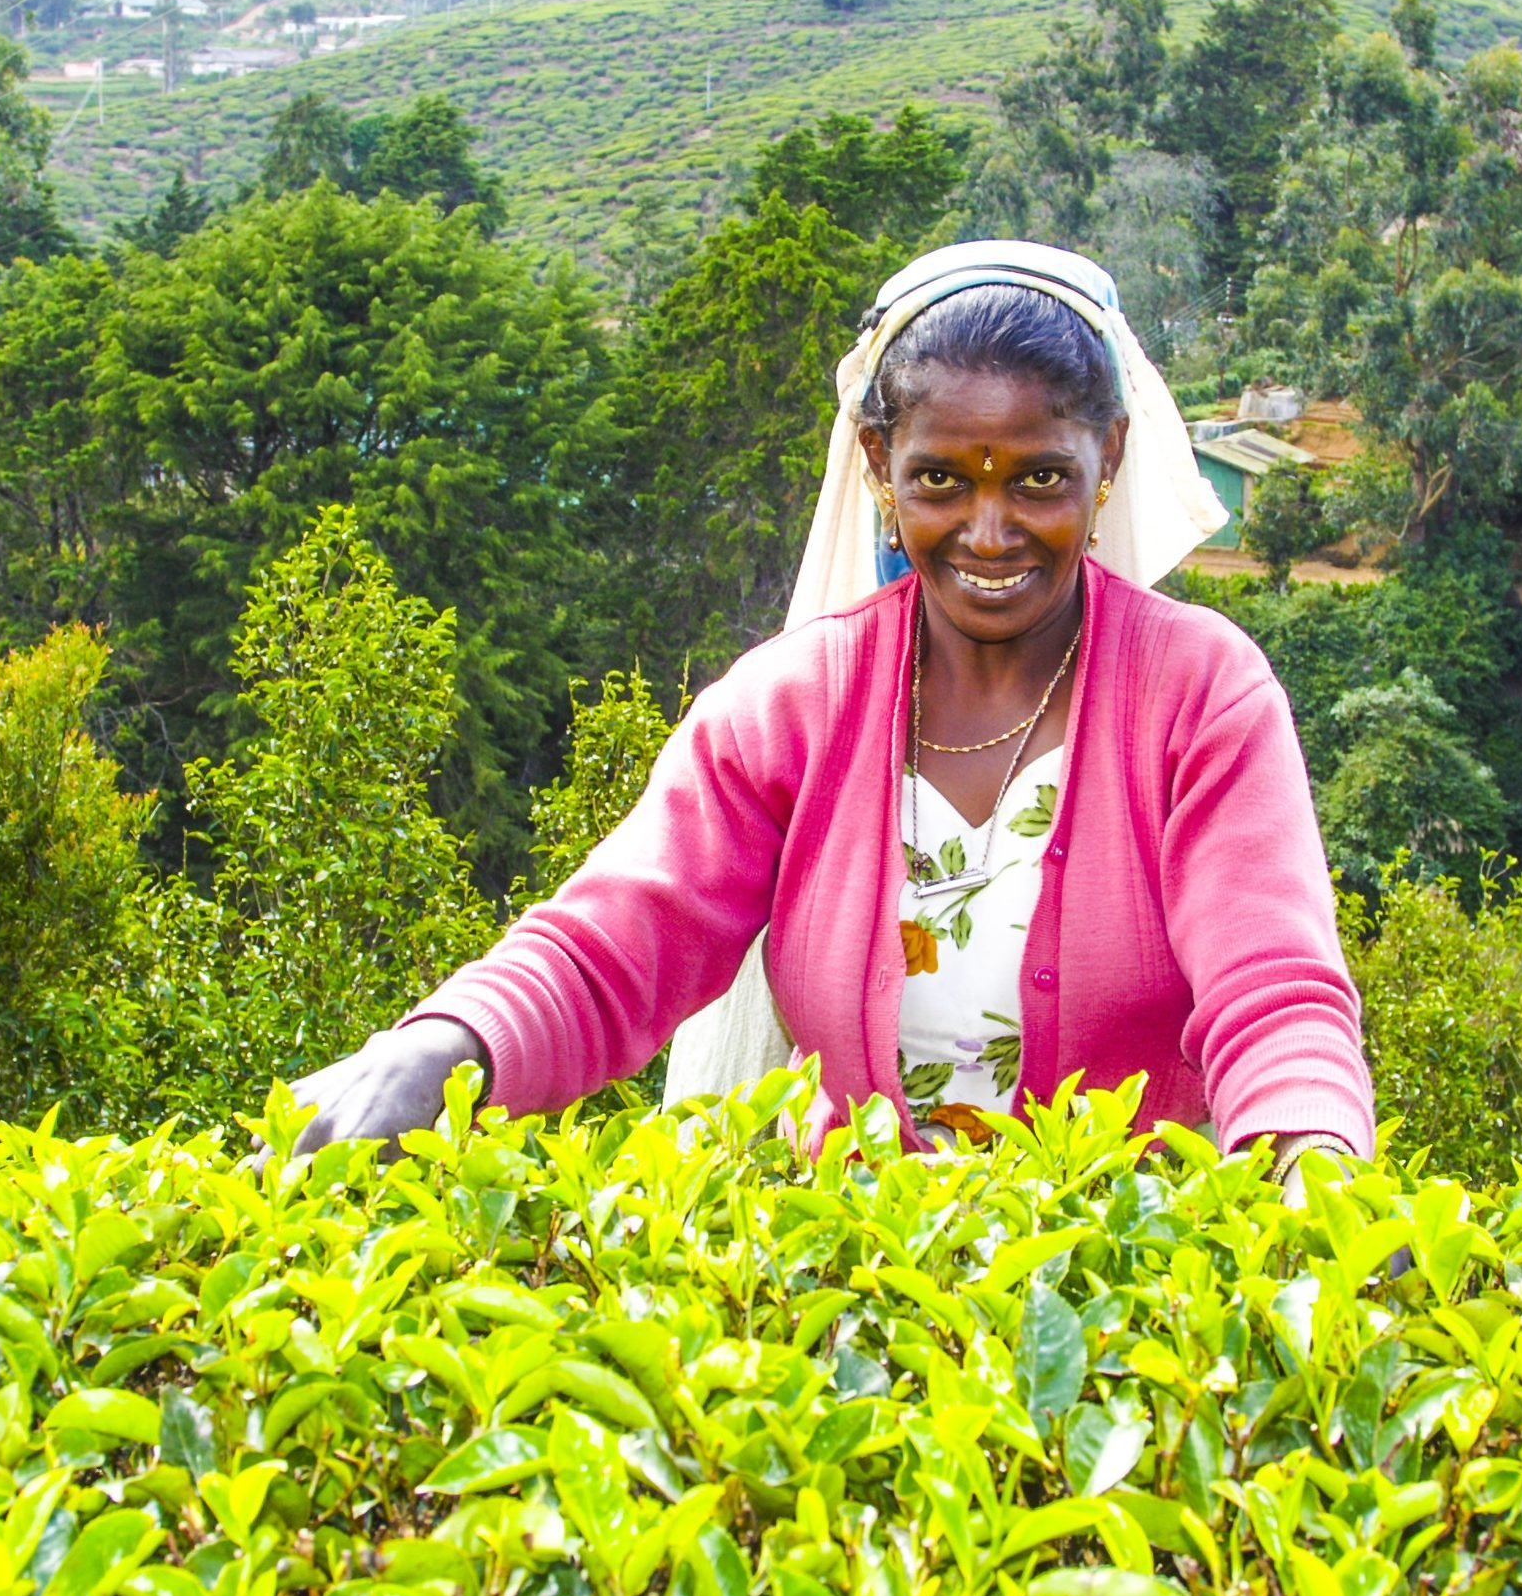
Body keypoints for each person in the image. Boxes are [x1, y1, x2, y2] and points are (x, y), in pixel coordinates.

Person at [288, 241, 1373, 1187]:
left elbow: (1273, 988)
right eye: (941, 479)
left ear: (1109, 464)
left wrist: (1312, 1156)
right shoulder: (792, 707)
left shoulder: (1199, 694)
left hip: (1131, 1303)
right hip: (852, 1295)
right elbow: (613, 945)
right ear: (878, 470)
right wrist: (441, 1046)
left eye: (1039, 478)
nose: (989, 531)